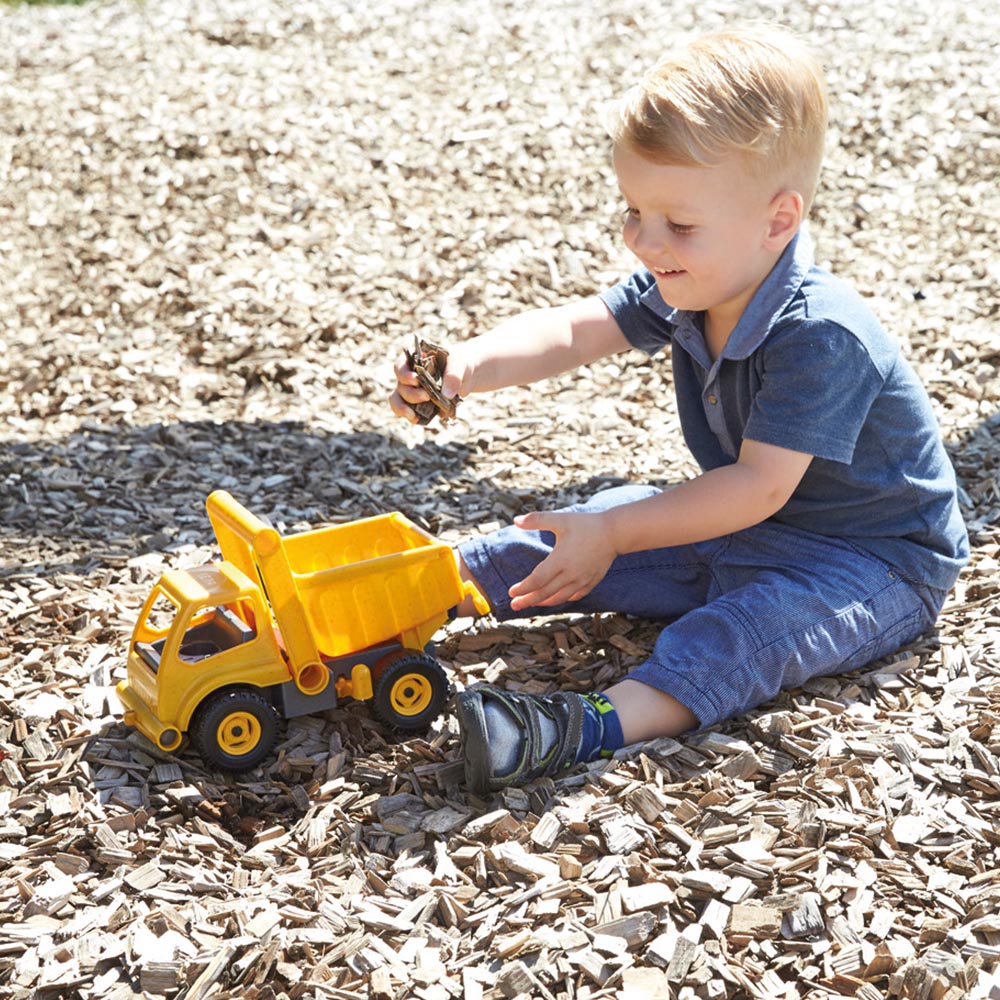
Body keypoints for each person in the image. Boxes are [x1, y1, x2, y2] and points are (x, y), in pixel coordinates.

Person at [388, 24, 969, 796]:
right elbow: (573, 330)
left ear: (777, 219)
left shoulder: (821, 333)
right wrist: (465, 367)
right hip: (750, 525)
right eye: (633, 211)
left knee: (737, 635)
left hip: (870, 562)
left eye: (677, 224)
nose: (642, 241)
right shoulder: (695, 279)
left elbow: (758, 485)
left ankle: (584, 723)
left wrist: (619, 532)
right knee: (560, 535)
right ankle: (397, 606)